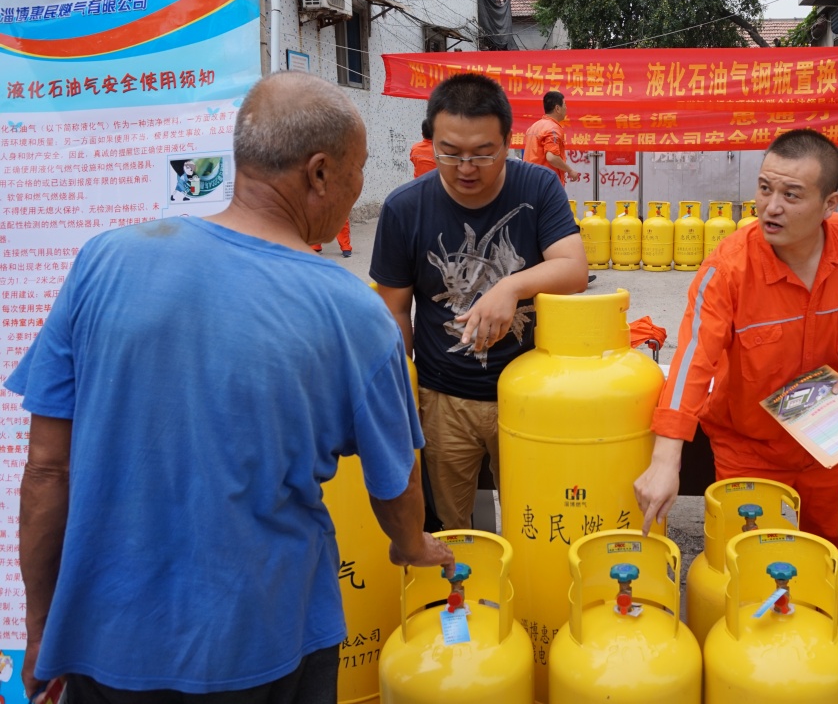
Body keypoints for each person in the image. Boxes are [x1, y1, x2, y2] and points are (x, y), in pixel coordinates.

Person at [11, 72, 453, 703]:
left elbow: (47, 471)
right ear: (320, 173)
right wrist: (412, 545)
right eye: (357, 175)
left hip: (103, 644)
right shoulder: (354, 314)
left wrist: (39, 631)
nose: (357, 193)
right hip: (268, 643)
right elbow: (397, 483)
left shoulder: (104, 261)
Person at [633, 129, 838, 545]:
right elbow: (692, 361)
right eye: (764, 188)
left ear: (829, 204)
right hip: (750, 450)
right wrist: (667, 459)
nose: (771, 207)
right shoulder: (727, 270)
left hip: (832, 444)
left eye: (792, 195)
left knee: (830, 556)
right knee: (752, 566)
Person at [371, 73, 588, 531]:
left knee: (535, 517)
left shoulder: (537, 189)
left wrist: (509, 287)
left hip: (530, 395)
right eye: (449, 152)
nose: (466, 166)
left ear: (509, 141)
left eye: (484, 152)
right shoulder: (404, 208)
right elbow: (394, 311)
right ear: (430, 141)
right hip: (443, 397)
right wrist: (402, 391)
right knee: (452, 526)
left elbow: (574, 269)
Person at [522, 90, 581, 186]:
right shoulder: (553, 128)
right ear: (557, 108)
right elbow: (552, 157)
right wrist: (570, 170)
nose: (566, 108)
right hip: (545, 184)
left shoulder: (534, 127)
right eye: (564, 104)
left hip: (530, 182)